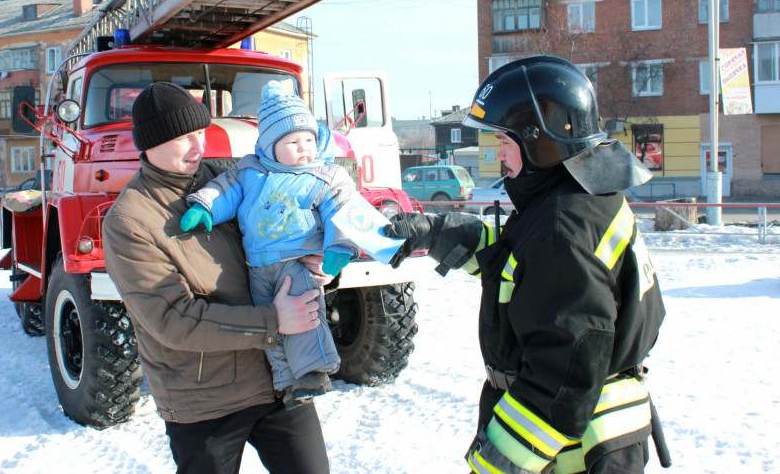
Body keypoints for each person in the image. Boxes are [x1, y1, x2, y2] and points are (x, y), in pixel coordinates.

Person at [384, 55, 667, 474]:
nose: (499, 154)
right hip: (590, 431)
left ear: (539, 139)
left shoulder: (562, 226)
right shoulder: (575, 196)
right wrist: (436, 231)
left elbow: (562, 375)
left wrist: (495, 466)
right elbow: (522, 266)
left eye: (505, 140)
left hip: (569, 449)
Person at [102, 81, 331, 474]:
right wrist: (275, 321)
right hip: (206, 401)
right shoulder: (130, 221)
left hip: (278, 377)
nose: (198, 147)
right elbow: (172, 320)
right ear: (151, 143)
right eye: (182, 138)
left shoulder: (234, 178)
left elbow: (284, 238)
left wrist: (316, 262)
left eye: (200, 133)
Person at [180, 80, 359, 409]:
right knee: (272, 325)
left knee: (304, 314)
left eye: (309, 139)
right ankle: (286, 382)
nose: (304, 147)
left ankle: (314, 372)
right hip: (257, 266)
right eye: (292, 141)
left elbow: (343, 210)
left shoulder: (324, 175)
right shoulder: (250, 169)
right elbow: (226, 188)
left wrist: (338, 248)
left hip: (298, 259)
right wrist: (204, 206)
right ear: (269, 144)